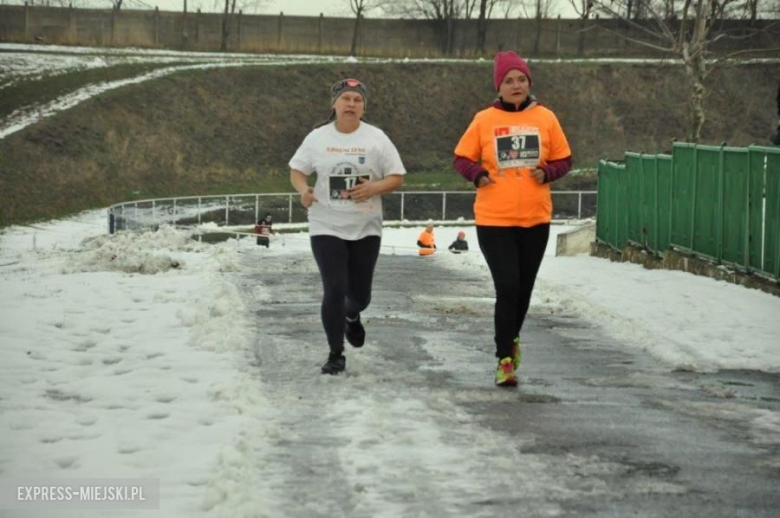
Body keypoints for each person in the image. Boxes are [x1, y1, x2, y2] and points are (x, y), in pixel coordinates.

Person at [453, 51, 572, 387]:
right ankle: (504, 358)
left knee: (524, 288)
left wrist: (547, 171)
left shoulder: (546, 118)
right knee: (507, 286)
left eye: (521, 79)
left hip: (535, 218)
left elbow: (565, 159)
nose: (516, 85)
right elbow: (461, 158)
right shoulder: (483, 119)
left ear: (529, 83)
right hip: (494, 218)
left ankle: (512, 337)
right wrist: (478, 175)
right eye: (509, 80)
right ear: (499, 86)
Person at [289, 78, 406, 375]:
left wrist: (374, 188)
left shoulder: (376, 138)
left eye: (357, 99)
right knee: (334, 287)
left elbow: (396, 176)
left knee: (360, 296)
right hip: (325, 222)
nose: (351, 104)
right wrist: (304, 190)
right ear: (335, 104)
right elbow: (297, 170)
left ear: (363, 106)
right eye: (346, 99)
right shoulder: (317, 137)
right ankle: (335, 353)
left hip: (365, 225)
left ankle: (352, 316)